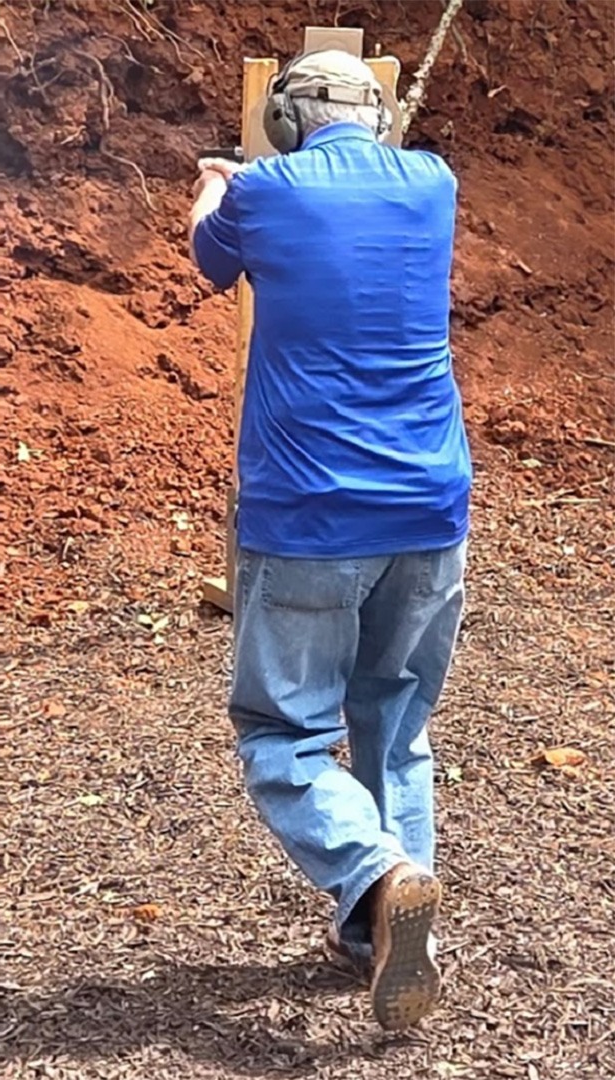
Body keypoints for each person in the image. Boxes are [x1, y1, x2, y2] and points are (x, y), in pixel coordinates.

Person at [189, 49, 470, 1030]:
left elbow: (210, 260)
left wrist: (215, 190)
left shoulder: (261, 191)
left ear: (287, 119)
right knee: (396, 724)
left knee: (287, 735)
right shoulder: (434, 182)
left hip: (310, 517)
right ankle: (381, 930)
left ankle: (377, 870)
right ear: (378, 115)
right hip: (431, 508)